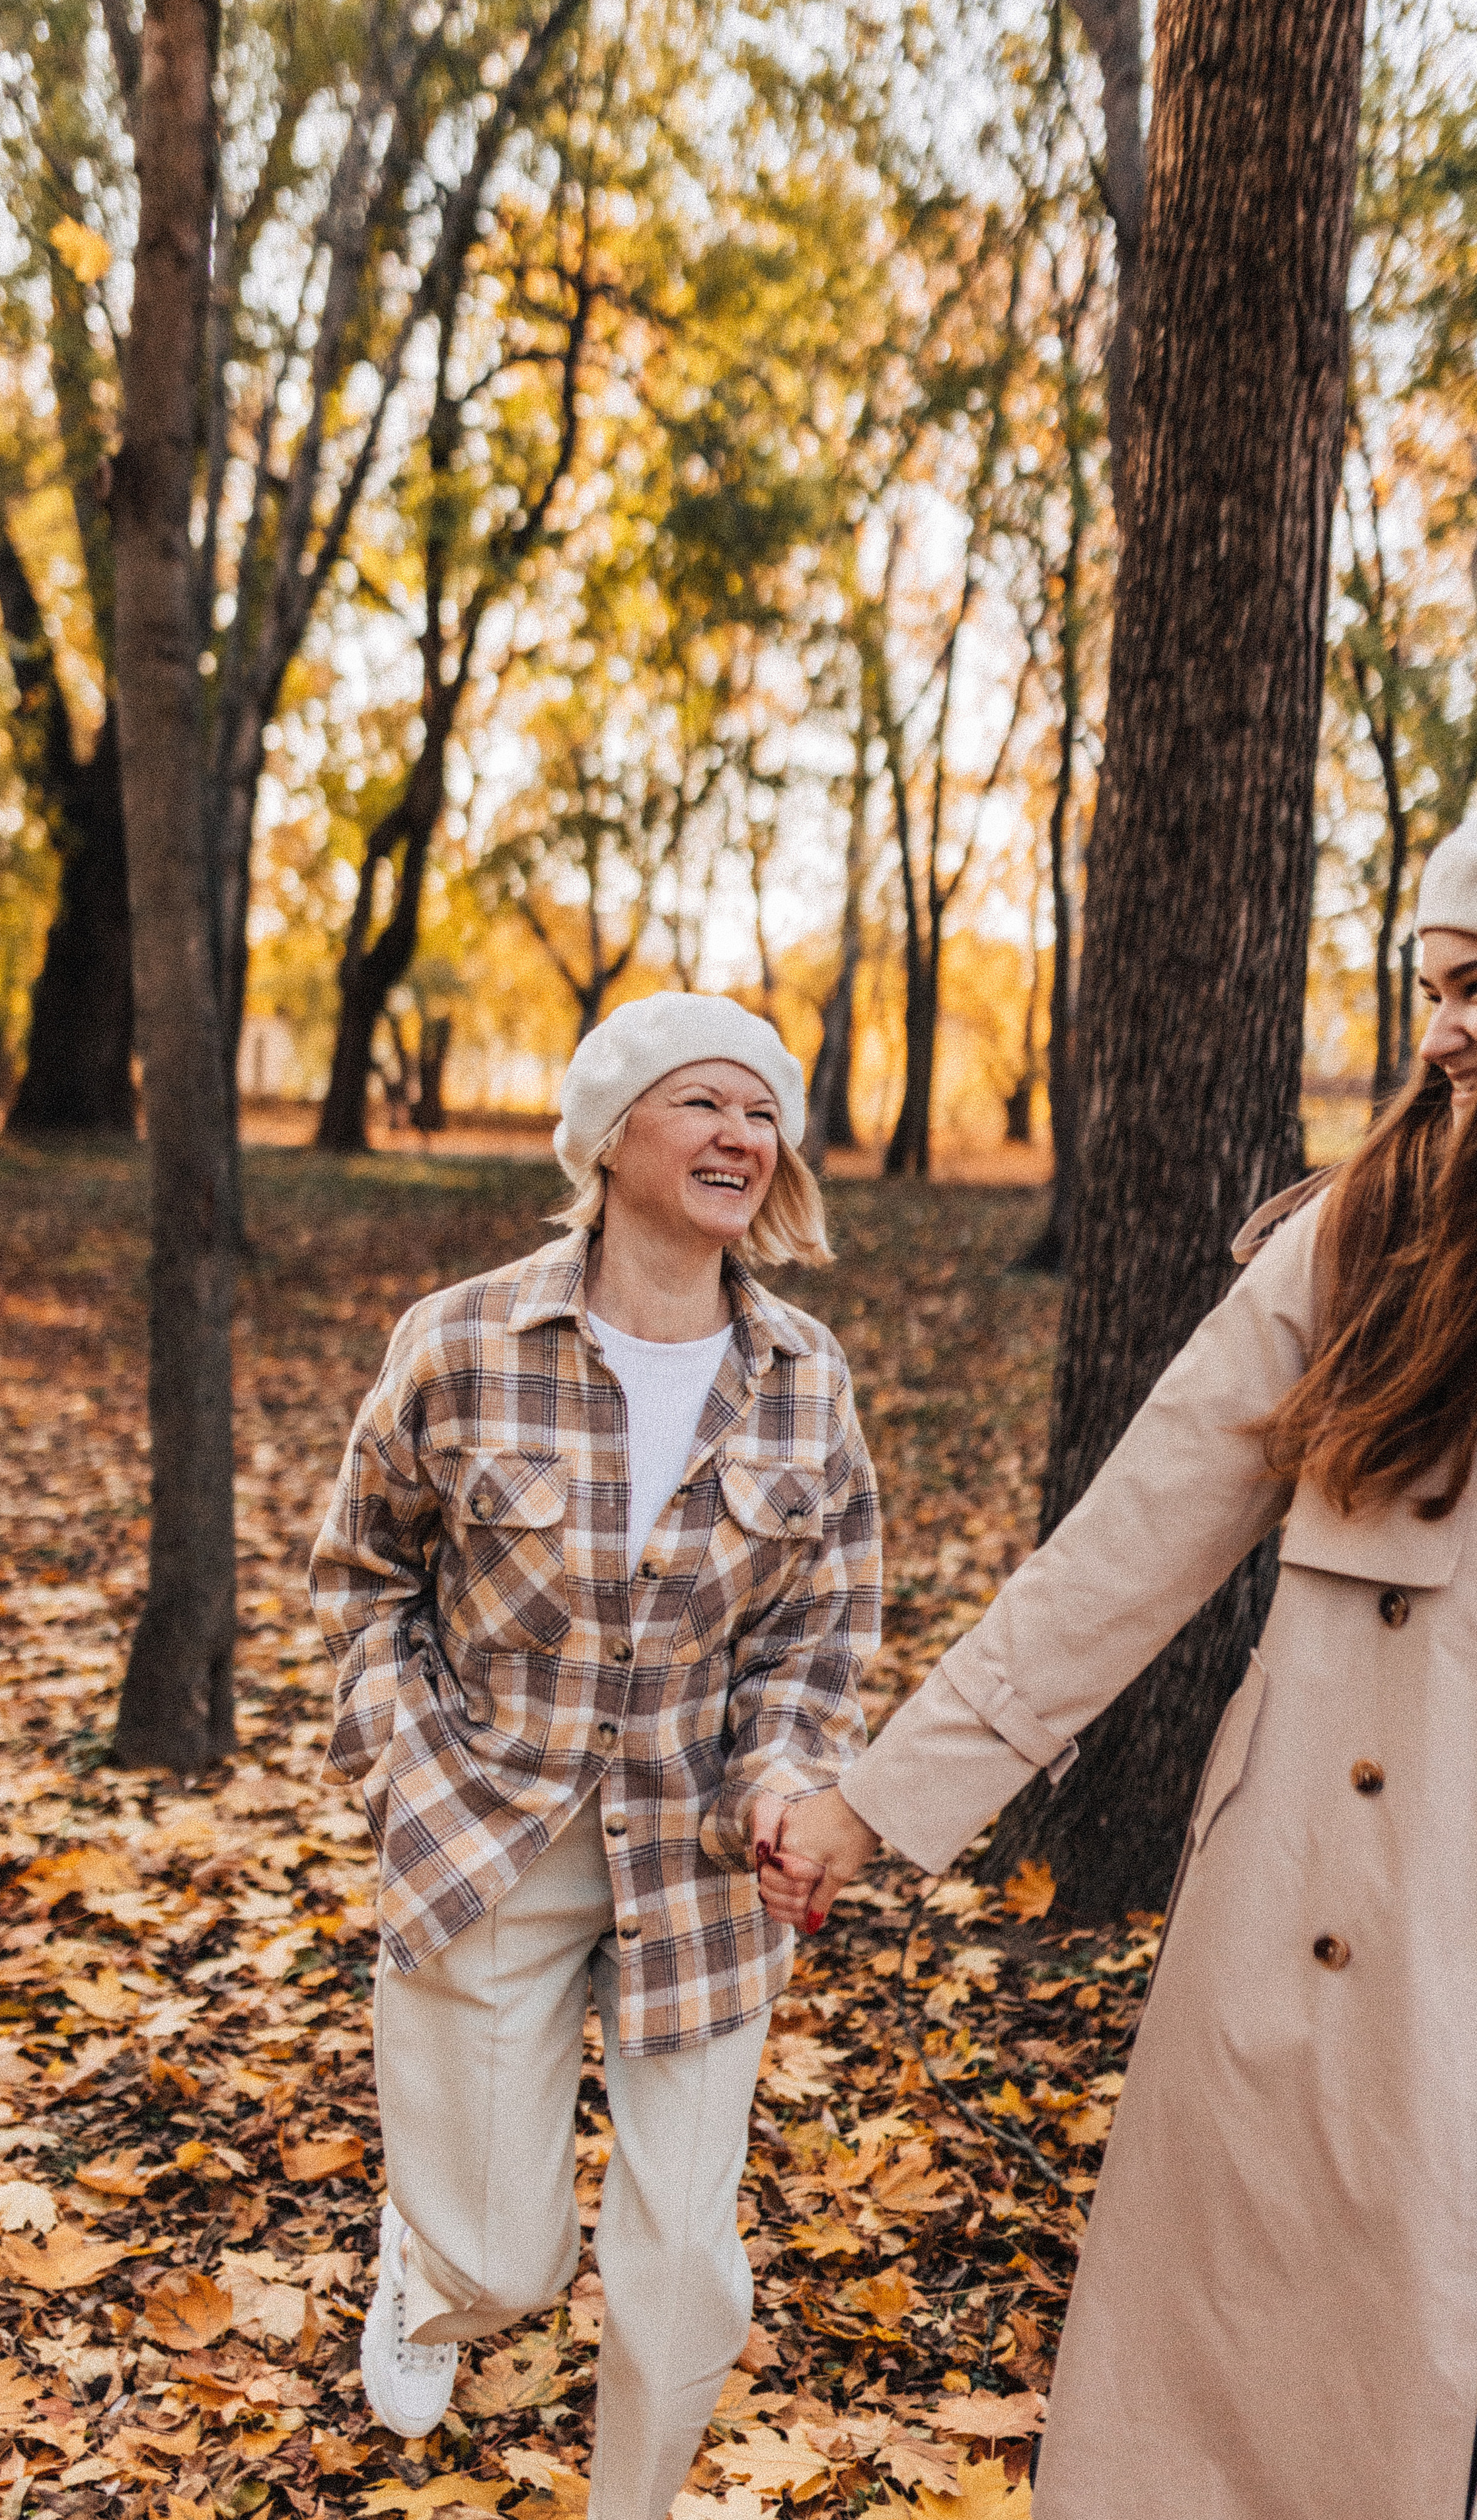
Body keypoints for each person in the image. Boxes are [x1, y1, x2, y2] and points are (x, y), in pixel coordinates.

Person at [761, 808, 1477, 2517]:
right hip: (1329, 1909)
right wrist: (878, 1807)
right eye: (1433, 989)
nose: (1445, 1031)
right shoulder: (1358, 1238)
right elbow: (1131, 1540)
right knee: (1267, 2387)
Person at [311, 992, 880, 2519]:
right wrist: (400, 1773)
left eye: (760, 1113)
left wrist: (783, 1775)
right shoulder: (461, 1341)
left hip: (701, 1862)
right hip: (486, 1829)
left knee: (683, 2260)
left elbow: (822, 1632)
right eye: (702, 1103)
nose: (739, 1138)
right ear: (609, 1135)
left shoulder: (804, 1377)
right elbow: (363, 1578)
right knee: (502, 2253)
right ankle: (432, 2275)